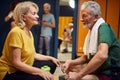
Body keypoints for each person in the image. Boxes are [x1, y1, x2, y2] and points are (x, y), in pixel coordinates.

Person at [0, 1, 60, 80]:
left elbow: (34, 55)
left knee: (52, 64)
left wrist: (51, 58)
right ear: (23, 17)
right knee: (40, 77)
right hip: (11, 72)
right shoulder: (16, 32)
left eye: (37, 13)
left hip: (22, 68)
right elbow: (16, 63)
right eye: (34, 13)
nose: (37, 16)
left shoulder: (29, 33)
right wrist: (40, 72)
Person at [61, 1, 120, 80]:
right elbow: (87, 57)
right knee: (70, 67)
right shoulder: (92, 31)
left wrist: (79, 75)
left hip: (110, 73)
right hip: (99, 70)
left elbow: (102, 55)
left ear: (95, 17)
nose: (81, 19)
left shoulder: (104, 27)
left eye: (84, 16)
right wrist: (70, 62)